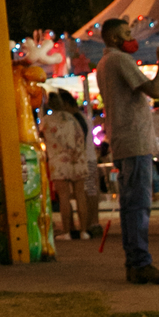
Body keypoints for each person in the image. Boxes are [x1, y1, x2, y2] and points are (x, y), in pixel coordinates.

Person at [95, 19, 159, 285]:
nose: (132, 37)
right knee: (139, 205)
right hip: (134, 141)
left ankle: (135, 263)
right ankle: (141, 263)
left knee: (131, 206)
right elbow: (154, 90)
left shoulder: (104, 63)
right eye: (127, 33)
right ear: (116, 38)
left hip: (123, 141)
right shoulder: (119, 61)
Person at [40, 91, 93, 239]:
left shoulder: (46, 121)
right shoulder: (72, 118)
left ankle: (67, 231)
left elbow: (41, 137)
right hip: (78, 159)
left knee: (64, 197)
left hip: (58, 161)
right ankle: (84, 231)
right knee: (80, 195)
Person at [57, 88, 102, 238]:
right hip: (87, 159)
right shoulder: (81, 118)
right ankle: (90, 224)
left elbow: (79, 142)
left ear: (67, 103)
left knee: (89, 193)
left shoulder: (76, 119)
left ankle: (91, 224)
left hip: (85, 160)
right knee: (89, 193)